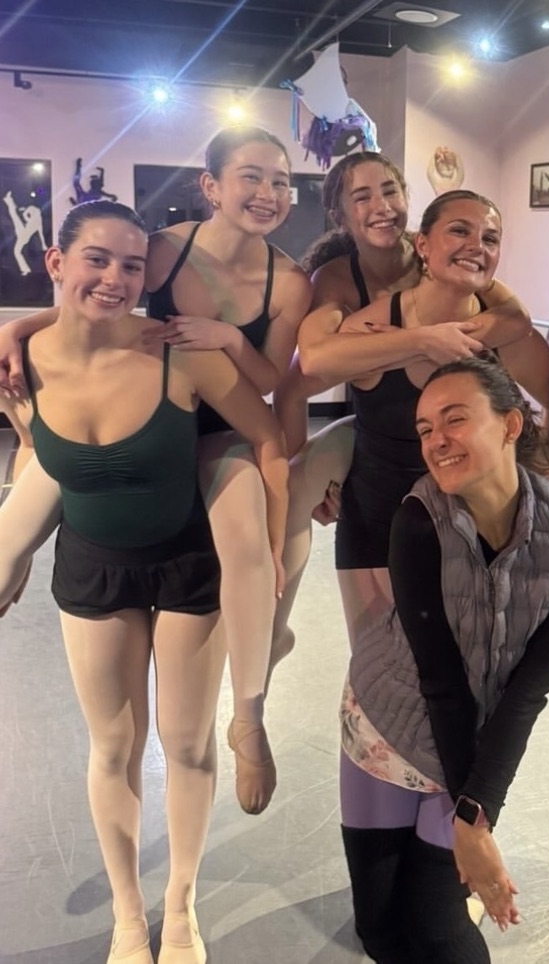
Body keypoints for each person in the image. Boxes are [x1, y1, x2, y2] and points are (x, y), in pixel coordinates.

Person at [0, 200, 289, 964]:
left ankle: (181, 906)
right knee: (113, 747)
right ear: (56, 264)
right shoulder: (18, 361)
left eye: (132, 265)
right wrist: (20, 549)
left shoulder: (177, 352)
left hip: (188, 559)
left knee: (187, 746)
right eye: (96, 258)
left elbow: (266, 434)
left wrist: (272, 539)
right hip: (95, 565)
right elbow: (33, 453)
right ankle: (130, 915)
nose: (116, 278)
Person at [0, 126, 312, 815]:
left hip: (219, 429)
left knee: (250, 552)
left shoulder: (288, 280)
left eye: (282, 181)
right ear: (211, 187)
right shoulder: (165, 249)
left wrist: (229, 336)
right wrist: (17, 329)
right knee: (20, 519)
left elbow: (265, 382)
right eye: (251, 176)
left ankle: (250, 715)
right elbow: (97, 301)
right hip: (138, 419)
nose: (267, 193)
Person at [338, 354, 549, 962]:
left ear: (511, 425)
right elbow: (439, 680)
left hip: (466, 743)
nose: (437, 441)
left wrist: (474, 815)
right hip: (385, 725)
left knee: (437, 926)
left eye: (454, 420)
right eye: (426, 429)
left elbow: (529, 688)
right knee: (378, 927)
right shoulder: (419, 522)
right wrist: (475, 824)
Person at [269, 161, 540, 670]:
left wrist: (465, 333)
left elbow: (516, 318)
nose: (381, 206)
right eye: (362, 197)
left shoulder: (441, 252)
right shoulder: (338, 278)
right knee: (299, 480)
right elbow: (313, 362)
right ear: (340, 213)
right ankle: (273, 627)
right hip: (376, 426)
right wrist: (419, 341)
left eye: (390, 191)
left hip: (442, 444)